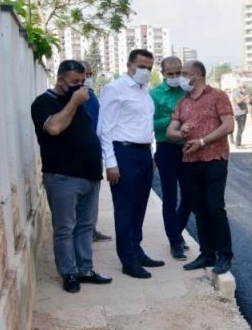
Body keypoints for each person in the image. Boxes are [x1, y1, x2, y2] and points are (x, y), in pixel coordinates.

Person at [31, 60, 112, 293]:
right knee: (65, 228)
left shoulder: (83, 102)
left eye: (83, 81)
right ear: (59, 79)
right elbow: (54, 128)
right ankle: (69, 273)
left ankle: (85, 269)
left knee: (86, 226)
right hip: (62, 176)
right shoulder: (43, 102)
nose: (80, 86)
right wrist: (74, 103)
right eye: (74, 82)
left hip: (90, 175)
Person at [97, 48, 165, 279]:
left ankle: (137, 250)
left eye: (149, 67)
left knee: (139, 206)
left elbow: (146, 126)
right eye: (141, 66)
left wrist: (151, 154)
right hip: (123, 153)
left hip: (143, 154)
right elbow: (104, 128)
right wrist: (111, 163)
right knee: (125, 209)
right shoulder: (115, 89)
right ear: (129, 65)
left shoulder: (144, 91)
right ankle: (128, 260)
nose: (145, 71)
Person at [167, 60, 235, 275]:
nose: (180, 78)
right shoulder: (183, 102)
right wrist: (181, 134)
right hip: (190, 162)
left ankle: (224, 255)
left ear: (196, 75)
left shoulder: (218, 96)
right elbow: (171, 131)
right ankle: (207, 254)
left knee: (215, 208)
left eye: (184, 73)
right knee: (200, 210)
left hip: (215, 159)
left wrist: (203, 142)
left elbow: (229, 125)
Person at [150, 56, 192, 261]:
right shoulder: (155, 95)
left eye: (179, 72)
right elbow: (151, 124)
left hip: (189, 150)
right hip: (167, 149)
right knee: (170, 197)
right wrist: (175, 118)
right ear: (163, 73)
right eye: (171, 74)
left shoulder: (189, 91)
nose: (176, 77)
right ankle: (175, 241)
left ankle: (177, 231)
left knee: (190, 196)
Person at [80, 60, 113, 243]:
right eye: (85, 74)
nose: (88, 78)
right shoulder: (76, 97)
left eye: (90, 74)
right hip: (80, 154)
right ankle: (83, 232)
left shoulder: (91, 95)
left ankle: (91, 229)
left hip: (94, 152)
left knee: (93, 194)